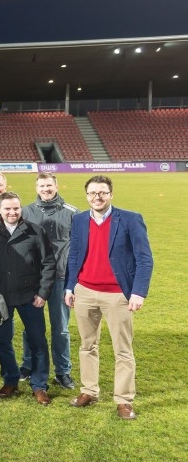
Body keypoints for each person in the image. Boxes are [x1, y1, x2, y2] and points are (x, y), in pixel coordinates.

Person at [65, 175, 153, 420]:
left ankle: (124, 400)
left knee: (123, 350)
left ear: (111, 194)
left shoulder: (131, 219)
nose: (97, 197)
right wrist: (70, 287)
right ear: (87, 196)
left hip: (117, 295)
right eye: (93, 193)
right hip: (85, 292)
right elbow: (74, 255)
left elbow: (145, 258)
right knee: (87, 345)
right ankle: (89, 391)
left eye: (102, 192)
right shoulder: (79, 219)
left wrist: (138, 292)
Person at [0, 192, 56, 405]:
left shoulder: (35, 231)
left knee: (37, 341)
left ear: (20, 208)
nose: (12, 212)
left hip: (30, 297)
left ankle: (39, 385)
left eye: (16, 208)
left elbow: (48, 263)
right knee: (3, 340)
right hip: (1, 298)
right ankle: (11, 380)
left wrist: (42, 293)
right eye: (7, 208)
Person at [22, 171, 79, 389]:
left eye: (49, 185)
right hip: (33, 279)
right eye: (42, 186)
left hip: (60, 279)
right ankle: (28, 365)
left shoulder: (72, 213)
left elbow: (79, 249)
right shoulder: (25, 212)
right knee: (31, 327)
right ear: (36, 188)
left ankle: (63, 371)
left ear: (57, 186)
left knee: (61, 328)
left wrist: (74, 281)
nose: (45, 189)